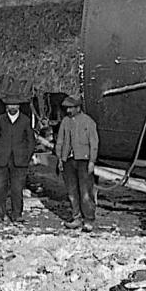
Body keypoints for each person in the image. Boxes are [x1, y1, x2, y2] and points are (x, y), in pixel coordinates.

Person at [0, 95, 36, 224]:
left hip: (19, 161)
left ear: (19, 106)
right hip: (2, 159)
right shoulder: (1, 120)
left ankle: (17, 214)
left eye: (15, 105)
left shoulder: (25, 121)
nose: (12, 107)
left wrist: (26, 156)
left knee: (17, 189)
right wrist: (1, 148)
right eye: (10, 105)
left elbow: (31, 141)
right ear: (6, 107)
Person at [56, 95, 100, 232]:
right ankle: (76, 218)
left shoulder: (88, 122)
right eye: (67, 108)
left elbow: (94, 143)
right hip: (68, 160)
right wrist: (60, 159)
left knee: (86, 192)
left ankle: (88, 220)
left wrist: (92, 161)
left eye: (71, 108)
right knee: (71, 192)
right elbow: (60, 141)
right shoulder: (65, 122)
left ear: (78, 108)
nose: (68, 110)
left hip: (84, 161)